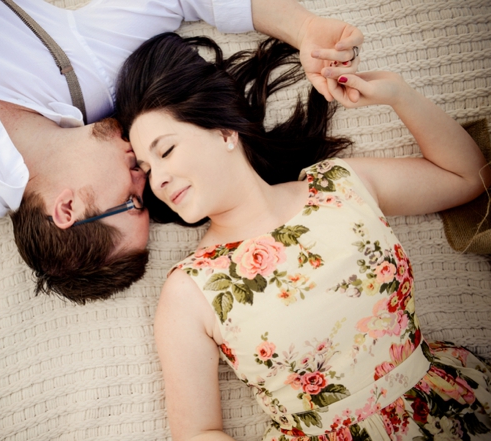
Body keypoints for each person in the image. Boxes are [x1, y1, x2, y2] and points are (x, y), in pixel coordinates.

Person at [0, 0, 362, 303]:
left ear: (66, 209)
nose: (147, 183)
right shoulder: (92, 75)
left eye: (132, 204)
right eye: (143, 201)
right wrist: (304, 29)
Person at [114, 32, 491, 440]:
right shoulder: (189, 291)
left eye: (165, 151)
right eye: (148, 169)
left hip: (456, 410)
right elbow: (197, 433)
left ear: (225, 132)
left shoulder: (341, 186)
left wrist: (400, 95)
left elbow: (468, 177)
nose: (160, 180)